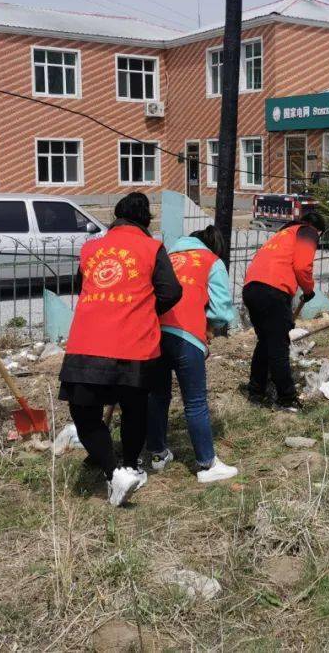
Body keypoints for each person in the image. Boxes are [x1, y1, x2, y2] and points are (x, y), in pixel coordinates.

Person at [58, 193, 182, 507]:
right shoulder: (151, 247)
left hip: (88, 343)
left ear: (115, 216)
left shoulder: (91, 248)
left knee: (84, 413)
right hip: (134, 344)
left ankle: (112, 471)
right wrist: (143, 309)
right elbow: (171, 291)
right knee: (134, 408)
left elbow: (82, 285)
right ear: (146, 221)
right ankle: (128, 466)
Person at [147, 225, 239, 484]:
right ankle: (207, 464)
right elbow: (221, 310)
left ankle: (157, 454)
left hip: (154, 333)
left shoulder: (167, 257)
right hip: (186, 336)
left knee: (157, 396)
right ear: (213, 246)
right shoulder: (212, 261)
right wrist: (209, 325)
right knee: (195, 401)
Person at [241, 211, 326, 411]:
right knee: (279, 345)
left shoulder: (283, 233)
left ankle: (256, 392)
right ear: (318, 230)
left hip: (252, 288)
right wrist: (308, 289)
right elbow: (302, 266)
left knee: (266, 342)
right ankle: (286, 399)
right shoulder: (307, 232)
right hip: (273, 290)